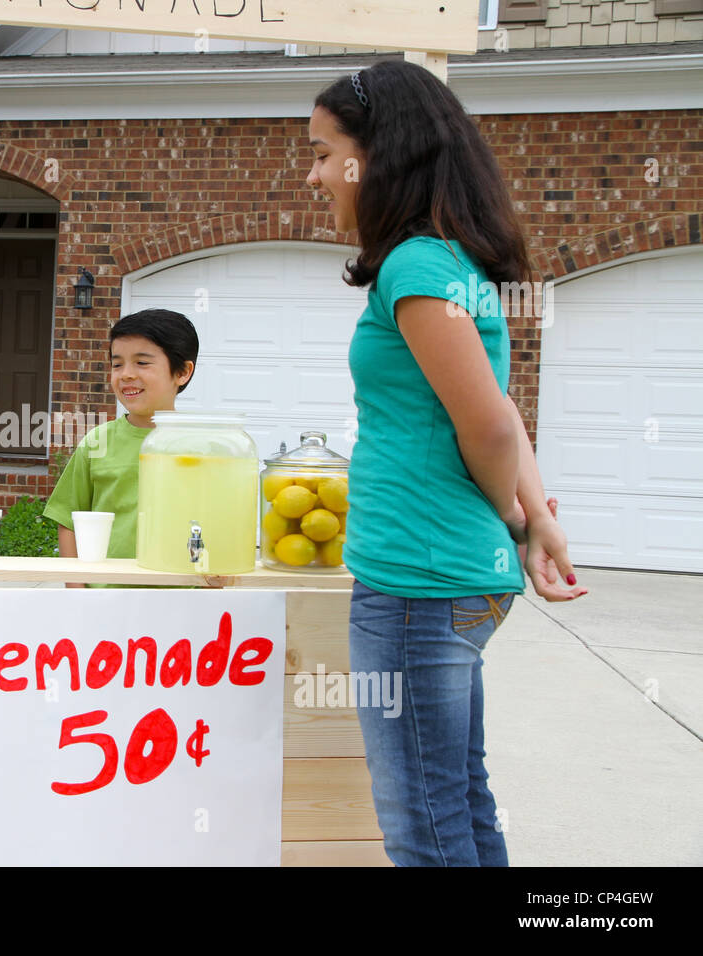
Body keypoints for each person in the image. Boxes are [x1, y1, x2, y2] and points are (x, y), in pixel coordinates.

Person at [305, 60, 589, 867]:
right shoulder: (451, 262)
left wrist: (521, 516)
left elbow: (492, 428)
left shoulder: (416, 267)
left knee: (423, 831)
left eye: (326, 152)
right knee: (458, 801)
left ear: (379, 155)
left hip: (415, 584)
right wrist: (535, 524)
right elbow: (499, 413)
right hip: (444, 578)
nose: (315, 172)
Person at [43, 309, 199, 588]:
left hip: (182, 600)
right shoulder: (97, 442)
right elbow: (68, 518)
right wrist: (76, 590)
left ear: (182, 372)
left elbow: (217, 522)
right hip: (105, 600)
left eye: (141, 362)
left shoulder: (202, 447)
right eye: (117, 364)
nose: (126, 375)